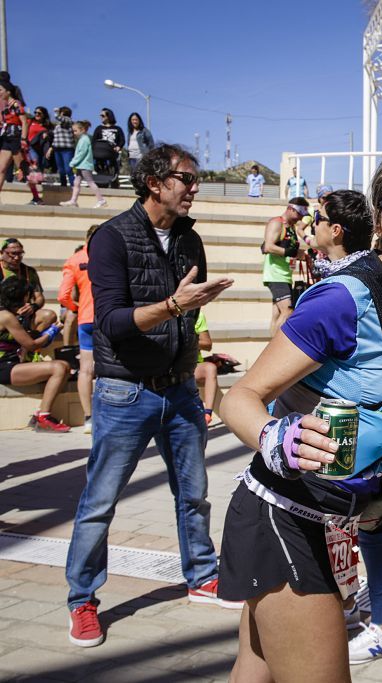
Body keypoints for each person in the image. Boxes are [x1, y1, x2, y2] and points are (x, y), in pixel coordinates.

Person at [215, 144, 382, 683]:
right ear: (379, 218)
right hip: (284, 514)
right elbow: (238, 397)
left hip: (339, 523)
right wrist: (276, 438)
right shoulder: (342, 301)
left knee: (255, 672)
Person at [65, 144, 237, 649]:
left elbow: (188, 310)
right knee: (100, 502)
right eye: (186, 177)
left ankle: (203, 575)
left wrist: (192, 309)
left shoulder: (190, 239)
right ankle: (82, 600)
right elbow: (112, 324)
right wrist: (172, 304)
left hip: (180, 388)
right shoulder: (113, 239)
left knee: (194, 494)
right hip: (125, 392)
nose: (194, 186)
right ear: (155, 181)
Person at [298, 188, 382, 654]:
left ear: (335, 230)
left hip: (349, 438)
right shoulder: (359, 276)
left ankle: (380, 622)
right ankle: (362, 610)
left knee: (362, 529)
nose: (310, 225)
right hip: (359, 437)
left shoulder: (346, 288)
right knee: (361, 530)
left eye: (317, 219)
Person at [0, 277, 71, 432]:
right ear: (25, 296)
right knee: (59, 368)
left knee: (64, 366)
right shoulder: (6, 317)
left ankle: (41, 415)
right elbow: (31, 345)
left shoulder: (9, 313)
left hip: (11, 363)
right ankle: (43, 417)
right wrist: (53, 330)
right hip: (3, 367)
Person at [58, 225, 101, 435]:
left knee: (86, 370)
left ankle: (89, 418)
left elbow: (63, 296)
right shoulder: (111, 254)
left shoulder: (74, 260)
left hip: (86, 319)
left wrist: (78, 308)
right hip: (109, 318)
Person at [262, 197, 311, 333]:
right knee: (288, 311)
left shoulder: (291, 227)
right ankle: (278, 346)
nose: (300, 218)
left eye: (302, 215)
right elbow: (268, 247)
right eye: (299, 213)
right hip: (276, 274)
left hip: (285, 274)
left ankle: (271, 347)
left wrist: (301, 255)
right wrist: (289, 252)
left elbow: (290, 249)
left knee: (277, 314)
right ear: (290, 209)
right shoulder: (277, 223)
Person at [1, 237, 58, 333]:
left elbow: (39, 297)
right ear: (2, 253)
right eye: (13, 253)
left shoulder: (29, 272)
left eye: (20, 253)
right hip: (2, 314)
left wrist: (33, 307)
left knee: (50, 315)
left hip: (24, 315)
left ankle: (31, 341)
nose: (17, 257)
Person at [59, 120, 107, 208]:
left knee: (90, 182)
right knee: (76, 182)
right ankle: (73, 200)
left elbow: (82, 153)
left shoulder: (84, 139)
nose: (74, 133)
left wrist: (73, 163)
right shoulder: (82, 139)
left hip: (85, 165)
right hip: (81, 165)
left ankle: (101, 200)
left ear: (82, 130)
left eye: (75, 131)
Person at [0, 81, 30, 203]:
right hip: (6, 138)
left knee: (23, 169)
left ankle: (37, 196)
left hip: (16, 138)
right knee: (1, 168)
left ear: (8, 91)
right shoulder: (5, 105)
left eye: (0, 90)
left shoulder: (16, 104)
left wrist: (23, 139)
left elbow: (24, 122)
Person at [92, 108, 124, 180]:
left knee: (114, 168)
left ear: (109, 116)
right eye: (100, 115)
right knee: (98, 167)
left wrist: (118, 147)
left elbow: (122, 140)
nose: (101, 117)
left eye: (102, 115)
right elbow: (93, 141)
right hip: (100, 153)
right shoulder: (99, 128)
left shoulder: (117, 128)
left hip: (112, 152)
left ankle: (114, 180)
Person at [52, 107, 76, 187]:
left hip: (67, 149)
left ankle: (73, 186)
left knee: (68, 169)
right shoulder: (58, 125)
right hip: (57, 148)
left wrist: (56, 112)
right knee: (61, 170)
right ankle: (63, 185)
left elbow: (59, 118)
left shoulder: (68, 120)